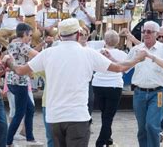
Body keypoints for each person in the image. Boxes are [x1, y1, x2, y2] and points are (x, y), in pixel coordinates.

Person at [11, 18, 144, 147]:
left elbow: (20, 70)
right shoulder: (88, 54)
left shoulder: (48, 53)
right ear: (78, 34)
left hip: (54, 117)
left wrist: (8, 61)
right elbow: (119, 68)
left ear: (59, 35)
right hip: (77, 117)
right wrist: (137, 59)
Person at [126, 21, 163, 147]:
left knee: (152, 125)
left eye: (149, 31)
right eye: (144, 31)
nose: (145, 34)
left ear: (156, 34)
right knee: (142, 128)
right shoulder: (136, 49)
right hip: (139, 93)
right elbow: (124, 66)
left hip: (157, 93)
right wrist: (110, 59)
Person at [6, 23, 42, 146]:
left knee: (30, 109)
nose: (30, 38)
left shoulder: (12, 44)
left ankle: (30, 138)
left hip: (12, 80)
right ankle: (8, 141)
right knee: (20, 113)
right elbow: (38, 56)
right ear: (24, 33)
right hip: (20, 81)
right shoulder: (22, 45)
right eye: (30, 35)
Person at [92, 30, 128, 147]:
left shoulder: (97, 52)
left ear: (105, 40)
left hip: (98, 84)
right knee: (108, 115)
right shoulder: (122, 54)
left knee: (104, 114)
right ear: (117, 41)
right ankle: (101, 142)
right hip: (114, 85)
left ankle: (108, 139)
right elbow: (126, 69)